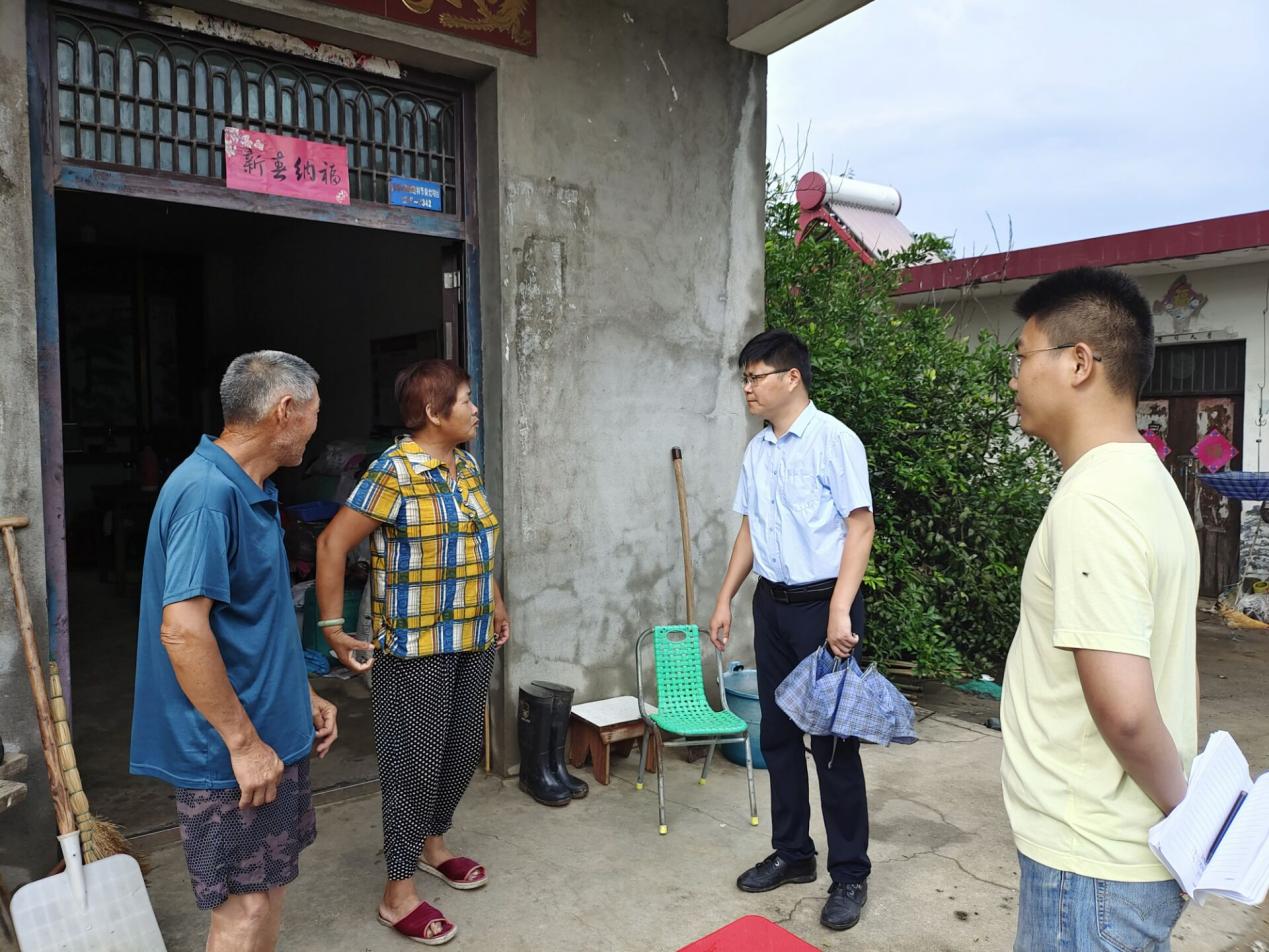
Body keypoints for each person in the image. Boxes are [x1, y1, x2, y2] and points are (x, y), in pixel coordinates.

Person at [1001, 267, 1197, 951]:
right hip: (1111, 864)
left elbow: (1125, 710)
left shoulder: (1094, 501)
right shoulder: (1147, 479)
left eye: (1022, 357)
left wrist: (1189, 820)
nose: (1014, 380)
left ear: (1078, 363)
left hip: (1089, 868)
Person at [130, 351, 338, 952]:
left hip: (269, 733)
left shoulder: (251, 488)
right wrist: (244, 745)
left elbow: (255, 616)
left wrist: (301, 692)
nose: (316, 427)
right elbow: (183, 631)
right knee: (244, 909)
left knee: (267, 889)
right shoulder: (206, 495)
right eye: (315, 413)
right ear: (285, 410)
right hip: (229, 752)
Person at [316, 358, 508, 947]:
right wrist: (332, 627)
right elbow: (331, 544)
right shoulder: (393, 472)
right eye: (466, 399)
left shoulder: (466, 466)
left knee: (460, 752)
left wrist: (496, 602)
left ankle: (433, 845)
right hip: (415, 648)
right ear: (433, 411)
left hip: (472, 636)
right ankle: (397, 894)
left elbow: (476, 544)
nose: (474, 409)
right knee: (413, 765)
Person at [709, 329, 876, 933]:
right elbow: (751, 530)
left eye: (756, 377)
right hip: (772, 606)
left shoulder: (834, 441)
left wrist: (840, 610)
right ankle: (794, 853)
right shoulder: (758, 450)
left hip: (823, 608)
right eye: (745, 378)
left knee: (832, 744)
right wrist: (726, 597)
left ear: (791, 378)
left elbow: (860, 527)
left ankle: (849, 873)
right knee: (778, 736)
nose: (747, 388)